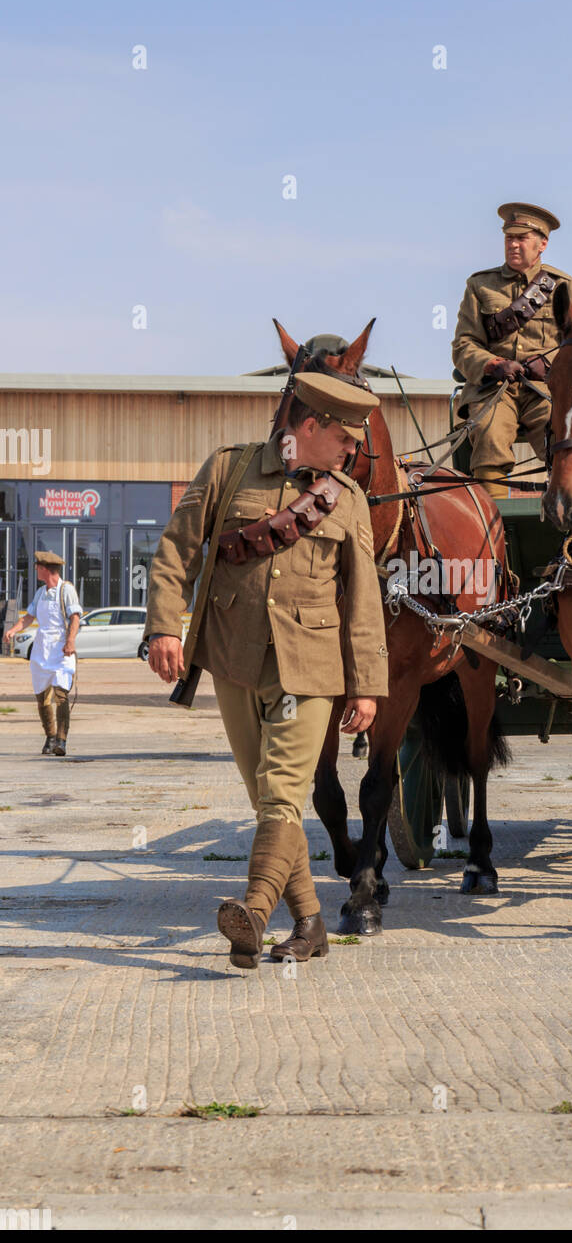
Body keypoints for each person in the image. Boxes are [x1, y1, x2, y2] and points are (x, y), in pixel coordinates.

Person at [145, 371, 389, 971]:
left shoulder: (347, 498)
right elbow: (178, 547)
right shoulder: (229, 470)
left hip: (309, 669)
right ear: (309, 426)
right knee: (266, 801)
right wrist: (162, 625)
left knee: (281, 791)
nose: (353, 450)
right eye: (344, 438)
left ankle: (253, 914)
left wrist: (367, 685)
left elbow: (362, 599)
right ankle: (310, 924)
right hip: (233, 657)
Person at [451, 202, 572, 498]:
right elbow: (464, 344)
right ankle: (493, 522)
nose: (513, 245)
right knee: (488, 434)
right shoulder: (480, 285)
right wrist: (492, 364)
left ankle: (566, 519)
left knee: (564, 439)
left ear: (542, 244)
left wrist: (549, 362)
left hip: (547, 389)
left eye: (521, 239)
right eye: (508, 238)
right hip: (495, 389)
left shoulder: (564, 286)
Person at [3, 551, 81, 756]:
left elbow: (75, 618)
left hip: (61, 651)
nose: (36, 569)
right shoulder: (40, 592)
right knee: (42, 698)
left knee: (61, 695)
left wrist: (70, 642)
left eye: (38, 566)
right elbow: (29, 617)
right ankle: (50, 736)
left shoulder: (66, 590)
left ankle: (62, 741)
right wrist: (13, 629)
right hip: (41, 651)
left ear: (45, 568)